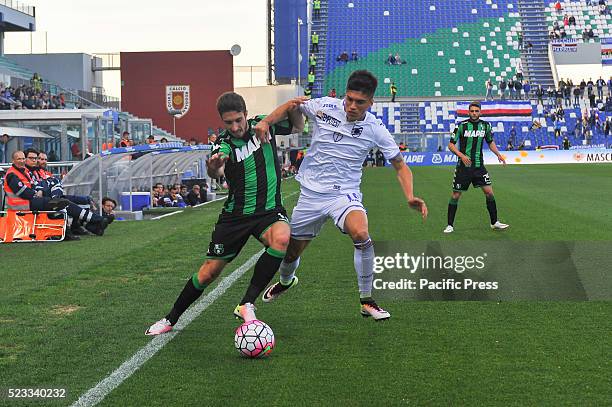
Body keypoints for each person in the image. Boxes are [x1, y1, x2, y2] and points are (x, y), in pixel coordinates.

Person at [258, 70, 428, 321]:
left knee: (361, 233)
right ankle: (286, 281)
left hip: (344, 195)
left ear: (371, 102)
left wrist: (410, 196)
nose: (351, 106)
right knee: (292, 253)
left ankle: (367, 300)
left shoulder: (376, 128)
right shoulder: (324, 105)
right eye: (349, 99)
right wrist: (266, 122)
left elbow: (400, 165)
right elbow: (291, 105)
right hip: (311, 195)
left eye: (360, 102)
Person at [145, 92, 304, 335]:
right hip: (235, 216)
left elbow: (297, 123)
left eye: (239, 120)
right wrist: (214, 166)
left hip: (268, 212)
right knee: (209, 272)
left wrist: (289, 108)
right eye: (228, 123)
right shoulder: (223, 143)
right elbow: (217, 168)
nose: (235, 126)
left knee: (282, 239)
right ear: (222, 122)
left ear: (246, 115)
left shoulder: (263, 125)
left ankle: (246, 303)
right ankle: (170, 319)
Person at [3, 151, 108, 235]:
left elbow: (41, 185)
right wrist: (37, 192)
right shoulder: (13, 174)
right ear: (13, 160)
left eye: (23, 159)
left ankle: (93, 225)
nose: (22, 161)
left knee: (72, 201)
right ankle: (95, 222)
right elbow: (24, 192)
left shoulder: (25, 171)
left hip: (32, 201)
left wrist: (39, 191)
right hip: (22, 205)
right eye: (19, 159)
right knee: (61, 203)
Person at [443, 101, 509, 234]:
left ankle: (494, 222)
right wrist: (462, 156)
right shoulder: (461, 126)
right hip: (464, 167)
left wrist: (498, 155)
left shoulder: (485, 126)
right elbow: (451, 145)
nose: (474, 113)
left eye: (476, 111)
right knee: (456, 195)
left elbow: (490, 142)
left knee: (489, 192)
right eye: (472, 111)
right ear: (468, 112)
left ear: (480, 112)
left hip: (479, 166)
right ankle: (450, 225)